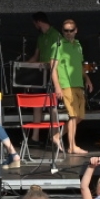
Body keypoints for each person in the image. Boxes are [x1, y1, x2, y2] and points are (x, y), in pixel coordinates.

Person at [50, 19, 93, 154]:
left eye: (71, 30)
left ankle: (57, 136)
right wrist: (57, 86)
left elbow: (79, 66)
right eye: (65, 31)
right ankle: (72, 146)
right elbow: (53, 68)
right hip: (66, 84)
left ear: (76, 31)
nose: (68, 33)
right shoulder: (58, 46)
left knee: (80, 116)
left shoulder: (78, 45)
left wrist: (87, 79)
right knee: (73, 116)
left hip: (78, 84)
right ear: (62, 31)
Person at [26, 12, 62, 142]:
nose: (34, 26)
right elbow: (36, 56)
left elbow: (58, 58)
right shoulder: (40, 37)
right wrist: (24, 65)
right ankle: (35, 137)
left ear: (39, 22)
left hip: (52, 74)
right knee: (37, 104)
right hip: (40, 74)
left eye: (34, 23)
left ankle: (54, 136)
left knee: (52, 106)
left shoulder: (56, 35)